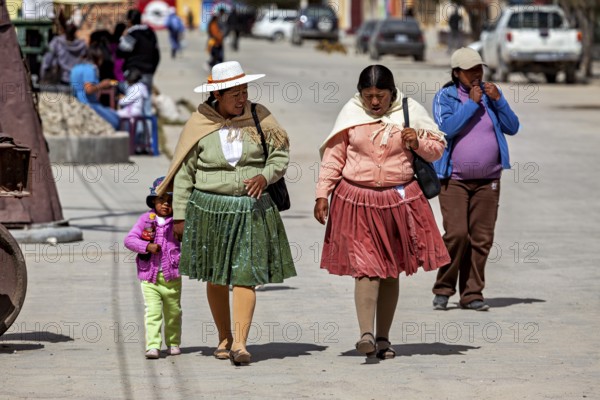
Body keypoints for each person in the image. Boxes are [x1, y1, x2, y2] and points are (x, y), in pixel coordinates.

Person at [155, 61, 296, 366]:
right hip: (209, 209)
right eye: (235, 93)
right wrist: (179, 215)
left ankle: (241, 343)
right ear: (217, 94)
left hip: (250, 208)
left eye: (245, 91)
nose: (242, 98)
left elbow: (280, 154)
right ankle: (224, 338)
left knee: (246, 274)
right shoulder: (198, 124)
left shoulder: (260, 117)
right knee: (217, 277)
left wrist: (265, 175)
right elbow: (184, 172)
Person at [314, 65, 450, 360]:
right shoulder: (351, 115)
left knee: (389, 271)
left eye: (380, 95)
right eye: (368, 96)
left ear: (392, 92)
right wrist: (322, 194)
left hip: (399, 202)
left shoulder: (408, 111)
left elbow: (437, 148)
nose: (374, 102)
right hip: (357, 202)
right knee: (366, 267)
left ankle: (383, 338)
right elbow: (334, 158)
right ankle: (365, 334)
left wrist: (418, 142)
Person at [431, 47, 520, 311]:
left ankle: (472, 294)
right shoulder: (445, 96)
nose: (476, 74)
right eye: (470, 70)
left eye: (479, 69)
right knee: (457, 234)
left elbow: (512, 127)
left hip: (488, 179)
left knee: (481, 238)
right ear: (457, 73)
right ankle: (444, 288)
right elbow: (446, 129)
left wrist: (499, 100)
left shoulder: (491, 95)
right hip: (454, 179)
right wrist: (471, 104)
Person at [124, 176, 182, 359]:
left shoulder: (178, 222)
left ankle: (173, 342)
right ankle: (153, 345)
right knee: (153, 312)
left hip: (172, 277)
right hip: (149, 278)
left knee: (173, 312)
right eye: (161, 200)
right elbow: (129, 240)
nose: (165, 205)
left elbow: (189, 242)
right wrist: (146, 246)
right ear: (153, 201)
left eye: (170, 201)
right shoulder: (146, 220)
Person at [117, 9, 160, 115]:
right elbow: (157, 54)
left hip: (134, 75)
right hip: (148, 73)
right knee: (146, 105)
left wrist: (122, 37)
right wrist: (151, 70)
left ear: (130, 21)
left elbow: (121, 51)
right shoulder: (151, 33)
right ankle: (148, 130)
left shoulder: (132, 34)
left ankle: (137, 130)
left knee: (134, 106)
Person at [70, 45, 120, 129]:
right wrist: (103, 85)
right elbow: (88, 89)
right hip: (89, 105)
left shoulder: (76, 68)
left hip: (76, 103)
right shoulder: (91, 69)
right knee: (116, 120)